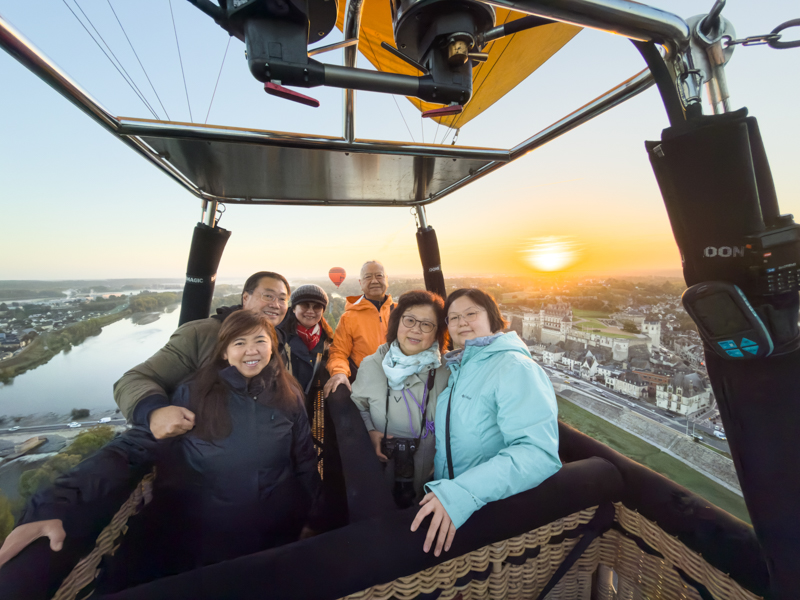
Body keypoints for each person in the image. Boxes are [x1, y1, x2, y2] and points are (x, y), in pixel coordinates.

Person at [0, 311, 320, 591]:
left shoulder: (288, 392)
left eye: (260, 341)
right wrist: (56, 505)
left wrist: (312, 519)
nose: (251, 350)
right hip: (202, 541)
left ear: (272, 347)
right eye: (239, 342)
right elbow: (130, 449)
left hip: (271, 537)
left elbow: (304, 459)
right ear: (224, 352)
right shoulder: (194, 394)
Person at [410, 288, 561, 557]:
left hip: (491, 514)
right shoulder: (461, 368)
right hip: (455, 506)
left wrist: (461, 492)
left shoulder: (514, 367)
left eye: (470, 313)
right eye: (453, 318)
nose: (461, 322)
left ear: (493, 319)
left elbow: (537, 453)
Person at [114, 271, 291, 439]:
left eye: (282, 299)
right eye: (268, 296)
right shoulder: (201, 334)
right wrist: (153, 412)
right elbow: (133, 379)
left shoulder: (280, 342)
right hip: (201, 453)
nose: (275, 304)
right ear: (246, 298)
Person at [350, 291, 449, 506]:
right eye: (410, 320)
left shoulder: (446, 370)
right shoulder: (372, 365)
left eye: (427, 324)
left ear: (437, 333)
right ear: (397, 323)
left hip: (432, 474)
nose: (416, 329)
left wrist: (447, 460)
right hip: (383, 465)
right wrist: (369, 430)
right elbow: (358, 405)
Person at [324, 261, 395, 397]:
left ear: (387, 279)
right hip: (366, 386)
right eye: (368, 277)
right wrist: (339, 373)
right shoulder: (349, 318)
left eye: (379, 276)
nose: (374, 281)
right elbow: (339, 351)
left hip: (401, 384)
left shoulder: (402, 312)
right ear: (360, 283)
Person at [278, 284, 334, 420]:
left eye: (317, 307)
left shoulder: (328, 339)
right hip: (282, 404)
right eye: (305, 305)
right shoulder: (278, 337)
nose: (310, 311)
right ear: (293, 308)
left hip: (311, 405)